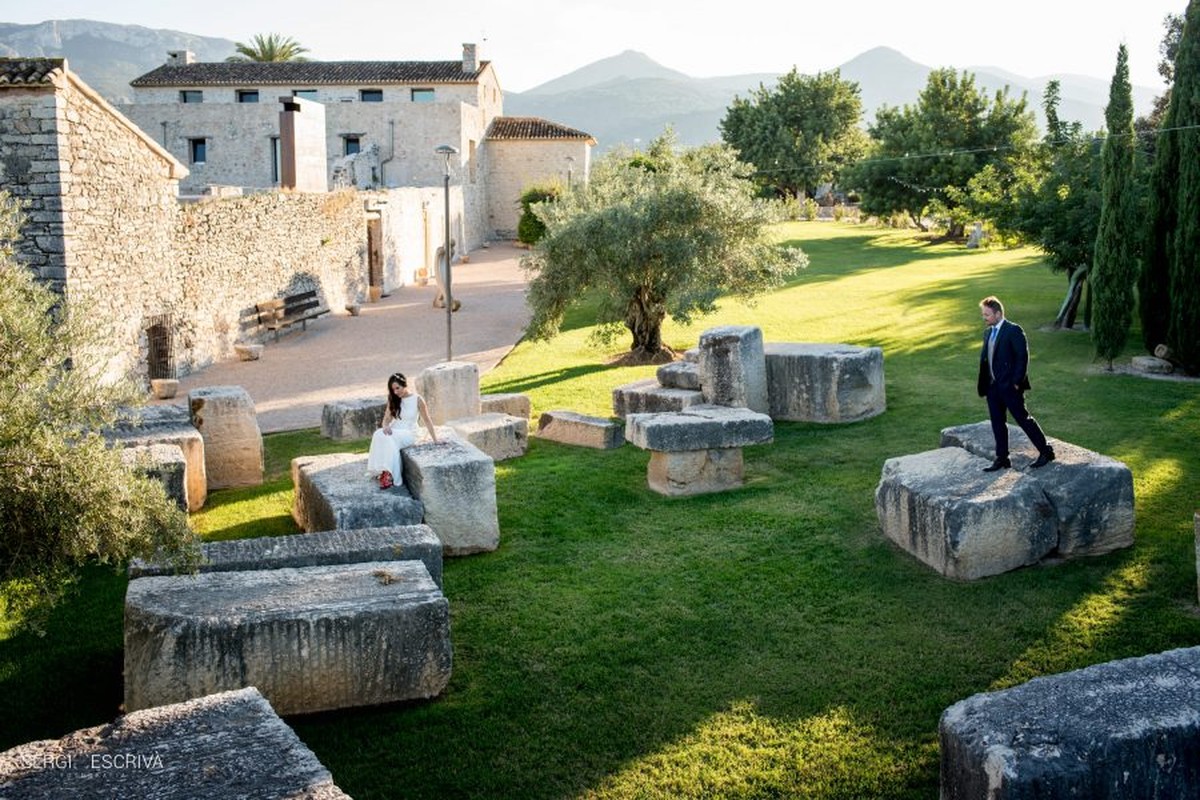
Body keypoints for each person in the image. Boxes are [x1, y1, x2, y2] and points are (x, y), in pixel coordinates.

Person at [977, 296, 1056, 472]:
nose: (985, 318)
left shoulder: (1013, 330)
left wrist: (1016, 382)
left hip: (1010, 387)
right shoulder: (988, 333)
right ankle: (1002, 458)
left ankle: (1046, 451)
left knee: (1023, 419)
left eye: (987, 314)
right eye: (983, 314)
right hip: (993, 388)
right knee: (997, 423)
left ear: (998, 314)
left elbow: (1022, 357)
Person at [366, 372, 438, 489]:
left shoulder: (417, 399)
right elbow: (386, 419)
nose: (395, 392)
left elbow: (427, 420)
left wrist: (436, 440)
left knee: (389, 439)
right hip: (395, 429)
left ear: (405, 384)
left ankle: (389, 474)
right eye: (393, 389)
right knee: (378, 434)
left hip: (409, 432)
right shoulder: (393, 399)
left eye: (397, 388)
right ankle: (381, 469)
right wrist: (385, 426)